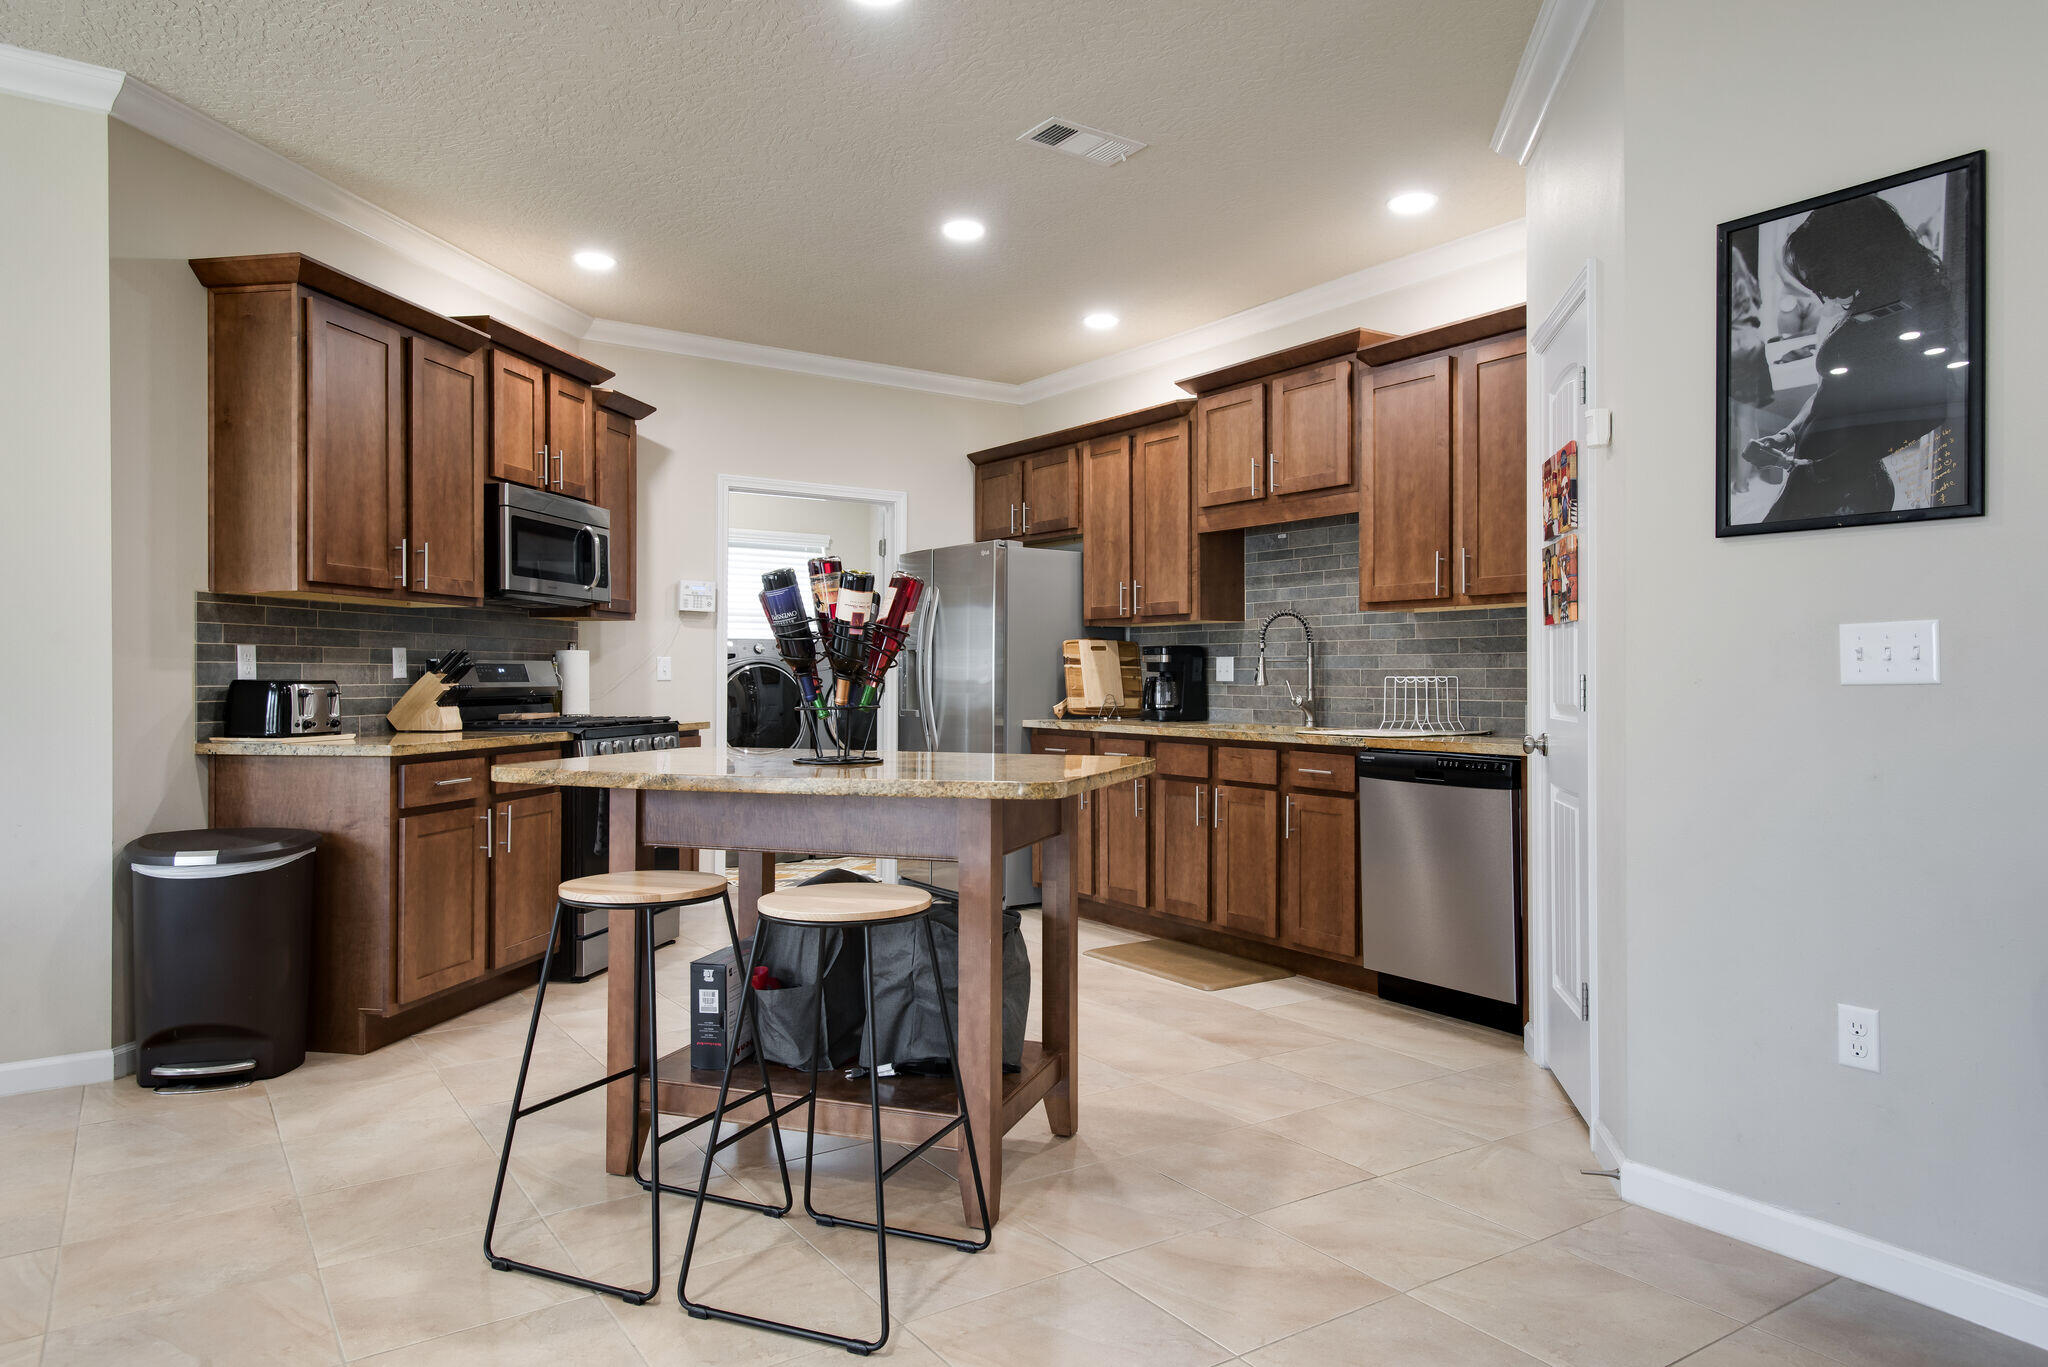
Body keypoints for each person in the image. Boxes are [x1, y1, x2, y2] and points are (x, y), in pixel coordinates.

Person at [1741, 194, 1956, 522]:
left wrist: (1829, 468)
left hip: (1845, 487)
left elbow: (1930, 410)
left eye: (1823, 271)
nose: (1822, 286)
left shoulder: (1901, 318)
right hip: (1820, 475)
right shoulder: (1865, 310)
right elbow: (1830, 391)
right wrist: (1790, 434)